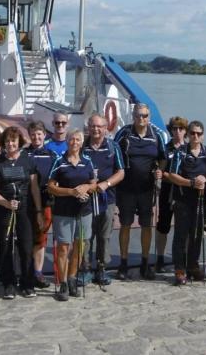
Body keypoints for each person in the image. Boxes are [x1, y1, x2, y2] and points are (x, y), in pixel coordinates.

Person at [0, 126, 42, 299]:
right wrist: (6, 203)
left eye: (14, 141)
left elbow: (34, 188)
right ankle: (8, 283)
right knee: (5, 246)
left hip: (25, 209)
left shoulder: (27, 161)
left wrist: (39, 211)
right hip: (4, 209)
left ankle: (27, 282)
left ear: (19, 142)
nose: (10, 144)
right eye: (8, 141)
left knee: (26, 245)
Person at [113, 102, 167, 280]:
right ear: (133, 116)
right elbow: (114, 152)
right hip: (126, 188)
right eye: (138, 115)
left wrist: (160, 170)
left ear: (148, 117)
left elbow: (163, 158)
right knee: (126, 225)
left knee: (146, 226)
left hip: (146, 189)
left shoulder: (157, 135)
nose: (141, 119)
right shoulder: (124, 133)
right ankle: (123, 263)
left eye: (144, 116)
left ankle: (145, 262)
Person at [48, 129, 97, 300]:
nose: (74, 142)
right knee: (63, 247)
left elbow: (94, 184)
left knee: (79, 246)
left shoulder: (87, 161)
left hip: (84, 211)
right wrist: (71, 191)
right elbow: (51, 186)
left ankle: (71, 278)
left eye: (77, 140)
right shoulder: (59, 161)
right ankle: (62, 284)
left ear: (82, 142)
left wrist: (85, 188)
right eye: (71, 139)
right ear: (67, 141)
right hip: (63, 211)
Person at [165, 120, 206, 285]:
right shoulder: (181, 152)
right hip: (183, 200)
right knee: (181, 235)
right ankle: (179, 269)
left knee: (197, 234)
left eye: (198, 133)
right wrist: (191, 182)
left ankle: (193, 266)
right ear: (188, 134)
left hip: (201, 201)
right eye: (192, 133)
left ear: (202, 135)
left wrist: (205, 179)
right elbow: (172, 175)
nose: (195, 136)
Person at [81, 113, 125, 286]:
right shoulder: (82, 146)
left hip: (107, 198)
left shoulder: (113, 147)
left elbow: (121, 172)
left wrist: (106, 183)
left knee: (104, 235)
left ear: (106, 129)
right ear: (88, 128)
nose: (96, 129)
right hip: (86, 199)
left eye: (100, 126)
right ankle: (84, 268)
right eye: (93, 126)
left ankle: (101, 268)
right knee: (86, 235)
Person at [23, 120, 59, 289]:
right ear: (29, 136)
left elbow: (58, 177)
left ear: (44, 135)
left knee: (40, 238)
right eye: (33, 134)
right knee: (23, 238)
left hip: (45, 203)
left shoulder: (52, 156)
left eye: (39, 134)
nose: (36, 137)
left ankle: (37, 272)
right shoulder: (23, 154)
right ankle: (23, 272)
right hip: (24, 203)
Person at [155, 116, 188, 273]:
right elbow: (161, 171)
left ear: (185, 131)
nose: (177, 132)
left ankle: (182, 258)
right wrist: (164, 175)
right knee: (163, 225)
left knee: (184, 227)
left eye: (181, 129)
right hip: (168, 191)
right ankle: (160, 257)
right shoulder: (165, 149)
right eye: (174, 129)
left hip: (184, 192)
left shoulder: (189, 149)